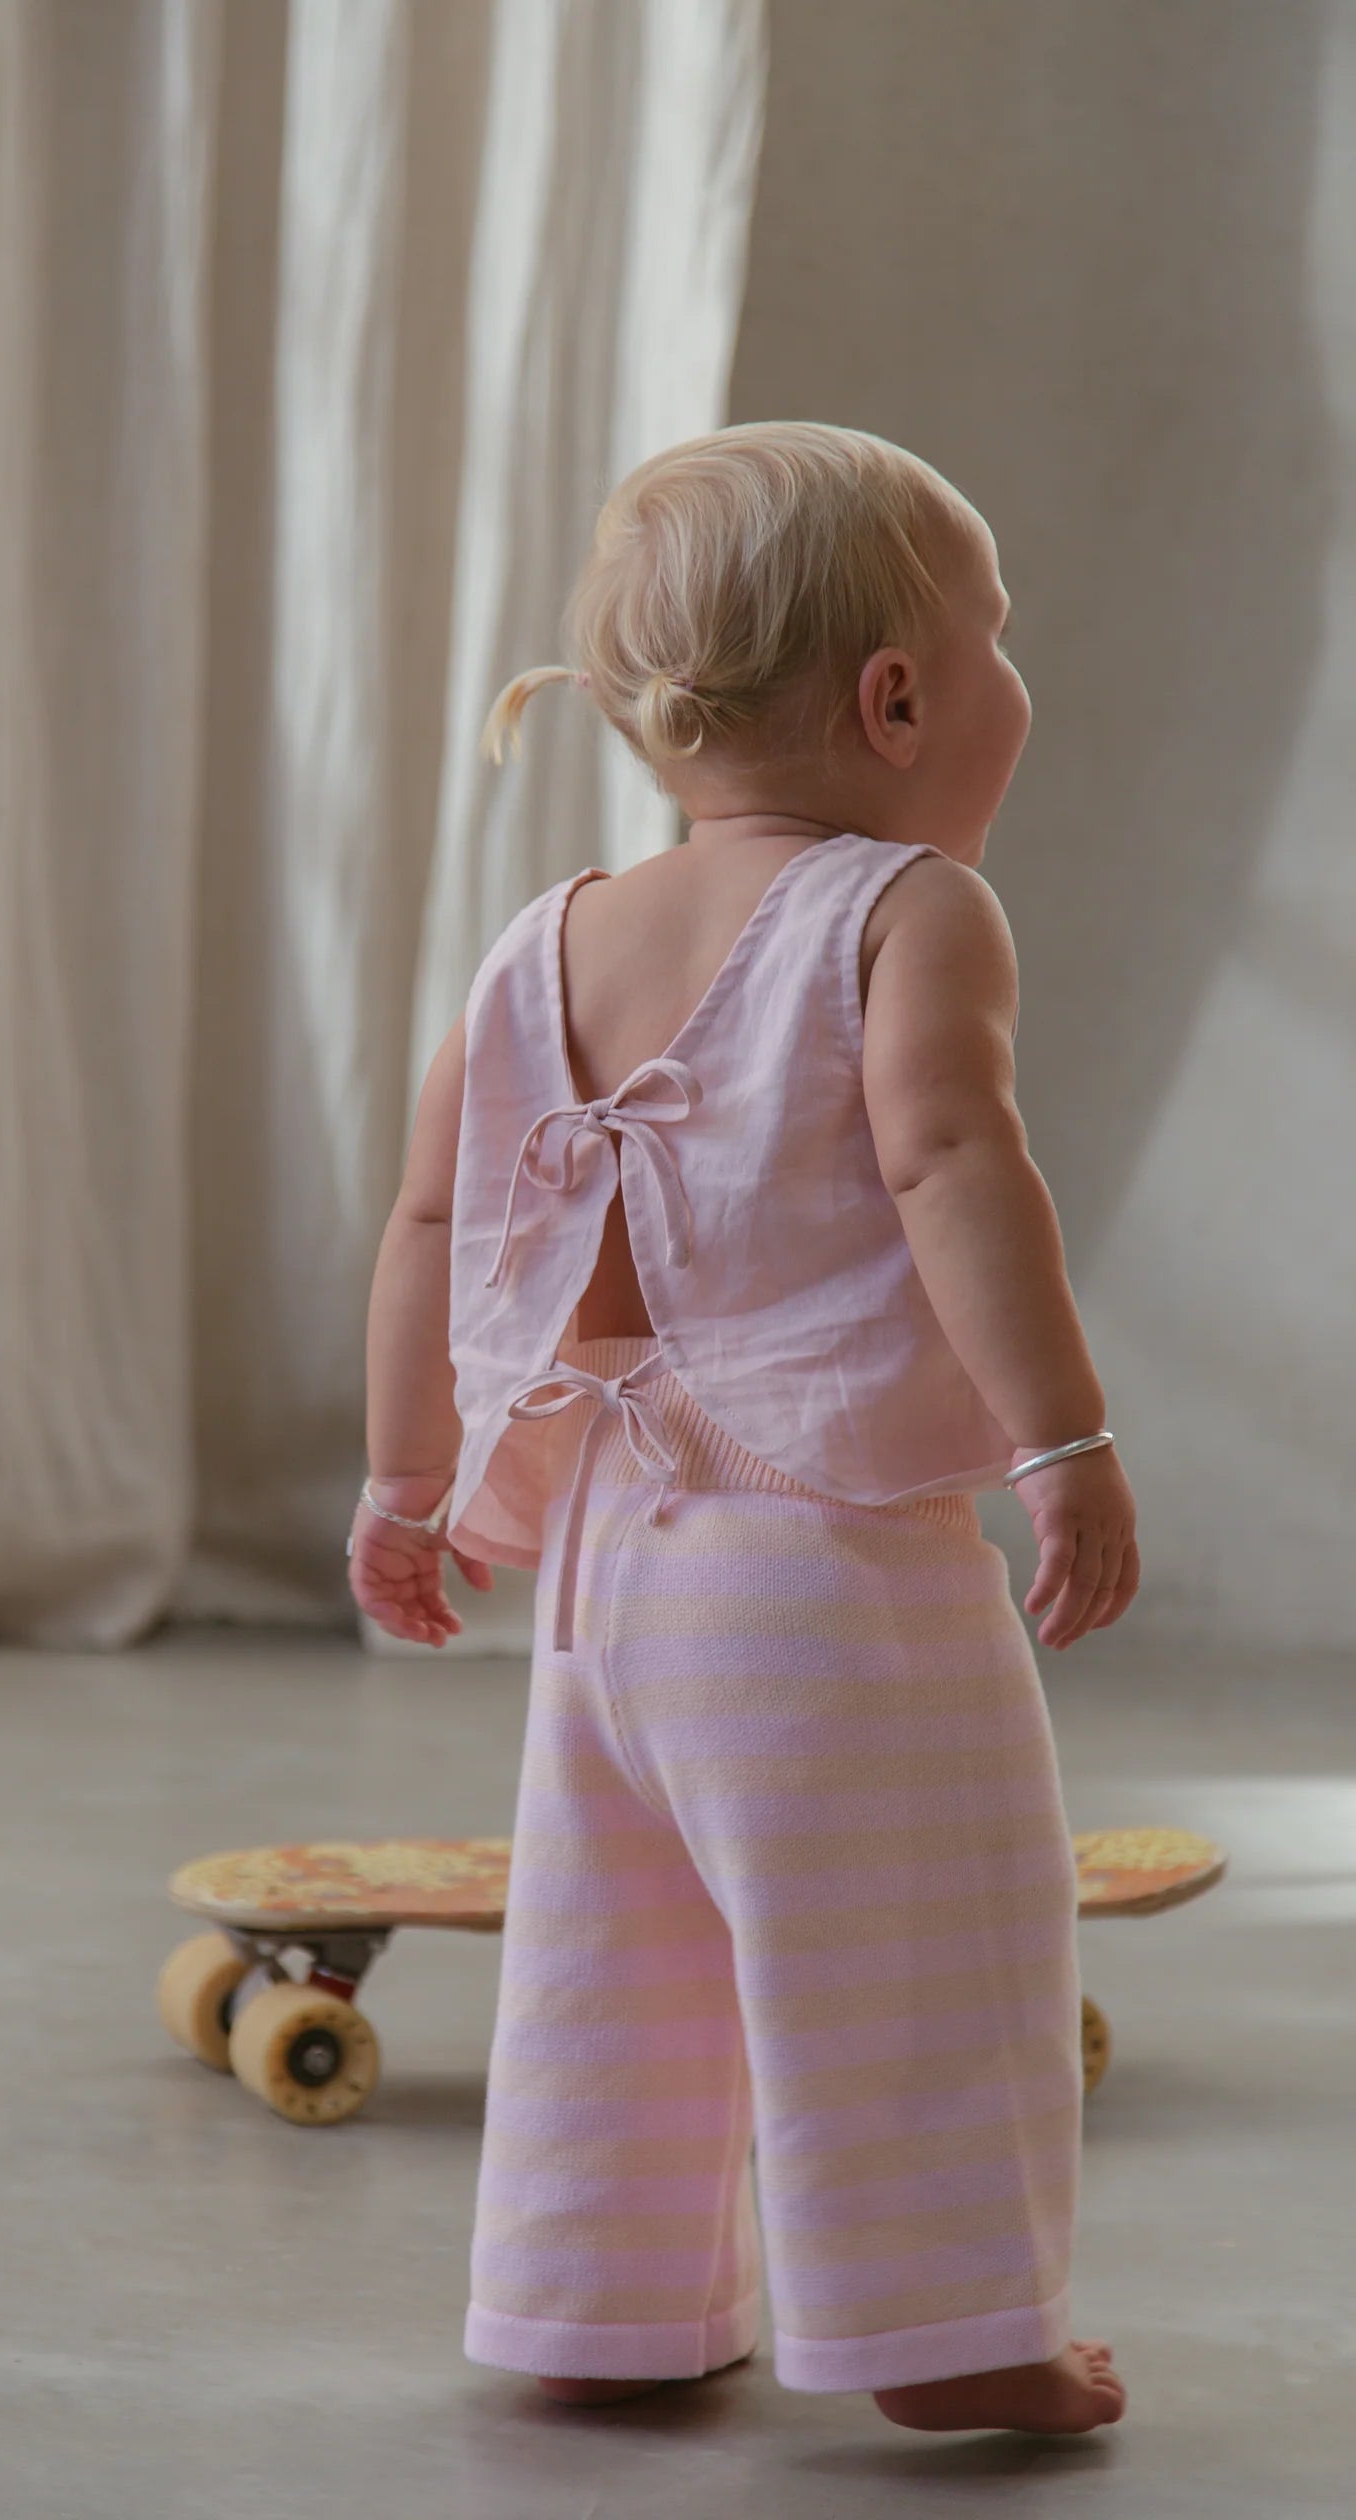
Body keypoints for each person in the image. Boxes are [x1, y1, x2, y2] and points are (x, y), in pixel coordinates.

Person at [348, 422, 1135, 2436]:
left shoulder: (548, 939)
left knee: (617, 1965)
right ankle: (956, 2332)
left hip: (610, 1574)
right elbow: (956, 1160)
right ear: (896, 701)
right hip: (824, 1567)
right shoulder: (906, 911)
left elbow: (431, 1220)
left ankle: (586, 2310)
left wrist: (404, 1478)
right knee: (923, 1939)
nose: (1011, 685)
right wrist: (1061, 1437)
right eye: (998, 639)